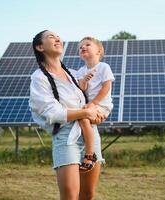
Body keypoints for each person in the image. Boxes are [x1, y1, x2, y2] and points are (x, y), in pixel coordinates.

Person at [29, 30, 105, 200]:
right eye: (51, 37)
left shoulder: (73, 74)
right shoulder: (39, 78)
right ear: (40, 47)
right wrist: (86, 112)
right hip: (66, 136)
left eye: (58, 36)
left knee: (87, 194)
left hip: (90, 134)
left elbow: (92, 97)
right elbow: (52, 113)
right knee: (70, 195)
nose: (57, 38)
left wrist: (98, 113)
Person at [74, 37, 114, 172]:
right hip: (90, 105)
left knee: (83, 118)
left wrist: (93, 103)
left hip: (101, 105)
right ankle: (88, 152)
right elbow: (82, 88)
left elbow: (106, 87)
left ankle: (90, 155)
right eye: (80, 47)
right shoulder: (80, 71)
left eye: (87, 45)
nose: (83, 47)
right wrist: (84, 80)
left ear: (99, 51)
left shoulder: (104, 67)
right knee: (83, 119)